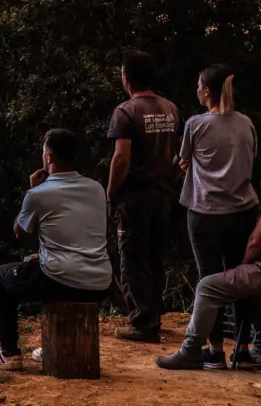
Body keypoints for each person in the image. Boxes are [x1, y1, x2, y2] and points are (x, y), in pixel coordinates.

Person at [157, 140, 261, 370]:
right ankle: (259, 346)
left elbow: (256, 241)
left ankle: (191, 350)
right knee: (241, 285)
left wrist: (243, 264)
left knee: (207, 286)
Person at [0, 129, 113, 370]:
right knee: (39, 266)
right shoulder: (96, 188)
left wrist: (31, 190)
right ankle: (56, 344)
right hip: (99, 282)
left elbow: (20, 233)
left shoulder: (38, 194)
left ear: (48, 157)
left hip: (60, 280)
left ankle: (10, 354)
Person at [177, 64, 259, 368]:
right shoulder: (246, 123)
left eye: (199, 85)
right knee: (241, 278)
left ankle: (215, 350)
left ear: (207, 91)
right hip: (243, 209)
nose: (197, 89)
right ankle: (244, 348)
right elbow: (248, 159)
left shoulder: (196, 124)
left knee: (210, 279)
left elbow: (184, 161)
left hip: (206, 211)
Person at [106, 50, 181, 343]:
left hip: (135, 196)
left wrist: (111, 192)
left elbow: (121, 157)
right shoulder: (170, 108)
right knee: (155, 255)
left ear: (126, 78)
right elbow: (178, 153)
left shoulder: (125, 112)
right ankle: (154, 314)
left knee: (133, 258)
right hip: (163, 193)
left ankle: (143, 322)